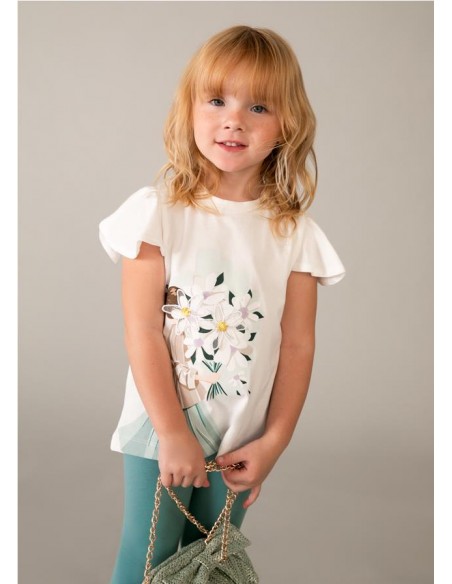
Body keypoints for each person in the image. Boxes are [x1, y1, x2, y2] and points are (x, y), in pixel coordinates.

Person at [99, 25, 346, 584]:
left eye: (258, 106)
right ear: (189, 109)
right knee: (149, 557)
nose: (234, 120)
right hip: (162, 426)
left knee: (212, 563)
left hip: (242, 436)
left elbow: (298, 346)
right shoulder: (157, 213)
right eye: (216, 101)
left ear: (287, 125)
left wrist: (274, 442)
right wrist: (172, 433)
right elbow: (142, 331)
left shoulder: (295, 234)